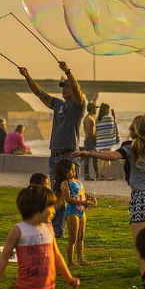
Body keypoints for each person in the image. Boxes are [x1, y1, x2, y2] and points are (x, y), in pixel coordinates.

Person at [73, 72, 145, 273]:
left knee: (142, 248)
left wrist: (88, 152)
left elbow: (112, 156)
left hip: (141, 198)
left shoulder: (132, 148)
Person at [18, 62, 85, 238]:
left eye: (67, 87)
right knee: (56, 196)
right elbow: (40, 93)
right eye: (63, 87)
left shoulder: (78, 105)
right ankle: (57, 231)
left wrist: (68, 72)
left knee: (71, 195)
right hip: (54, 155)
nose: (64, 90)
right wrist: (27, 76)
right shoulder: (57, 104)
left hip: (69, 155)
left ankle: (71, 230)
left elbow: (78, 92)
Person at [53, 159, 96, 267]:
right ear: (64, 172)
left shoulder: (77, 181)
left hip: (81, 211)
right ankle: (70, 262)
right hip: (72, 212)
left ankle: (81, 259)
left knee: (81, 236)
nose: (74, 171)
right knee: (73, 237)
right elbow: (68, 199)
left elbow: (81, 193)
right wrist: (83, 202)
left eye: (74, 169)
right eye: (71, 170)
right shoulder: (65, 183)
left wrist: (89, 197)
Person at [95, 103, 120, 180]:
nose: (109, 111)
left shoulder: (97, 119)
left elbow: (97, 130)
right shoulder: (109, 118)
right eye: (108, 109)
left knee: (100, 160)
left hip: (100, 142)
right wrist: (114, 117)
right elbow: (113, 126)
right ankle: (108, 176)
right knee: (108, 159)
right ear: (106, 110)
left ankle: (99, 176)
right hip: (108, 142)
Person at [82, 102, 98, 181]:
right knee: (89, 158)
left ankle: (96, 174)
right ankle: (87, 175)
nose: (96, 110)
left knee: (92, 158)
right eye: (95, 108)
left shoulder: (90, 118)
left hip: (89, 140)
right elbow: (91, 132)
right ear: (92, 109)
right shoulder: (89, 119)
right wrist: (95, 141)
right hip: (89, 140)